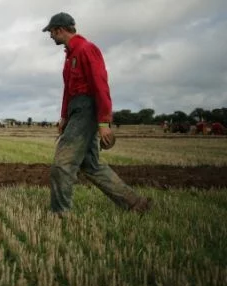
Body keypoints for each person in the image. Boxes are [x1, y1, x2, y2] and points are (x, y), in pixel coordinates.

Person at [42, 12, 152, 217]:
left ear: (59, 29)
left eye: (51, 32)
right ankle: (136, 203)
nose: (50, 36)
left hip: (87, 109)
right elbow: (68, 90)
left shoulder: (87, 49)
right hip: (76, 110)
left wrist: (104, 121)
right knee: (92, 166)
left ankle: (59, 214)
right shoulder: (70, 57)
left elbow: (100, 85)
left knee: (62, 164)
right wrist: (64, 116)